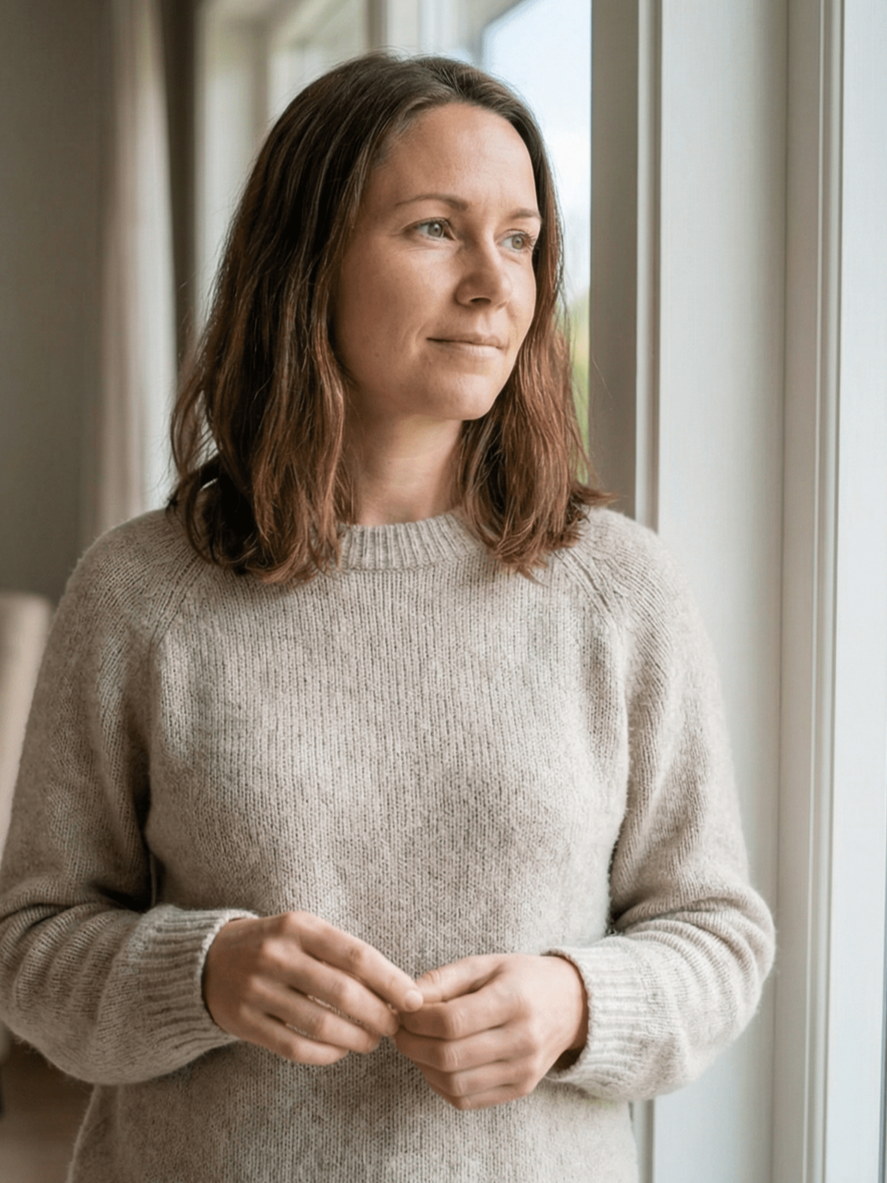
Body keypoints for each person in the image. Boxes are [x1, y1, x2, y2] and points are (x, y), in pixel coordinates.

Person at [0, 52, 774, 1182]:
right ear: (304, 261)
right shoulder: (138, 592)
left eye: (518, 240)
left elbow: (716, 933)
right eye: (433, 229)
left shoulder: (619, 588)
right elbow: (31, 953)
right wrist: (206, 971)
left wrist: (571, 999)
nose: (495, 285)